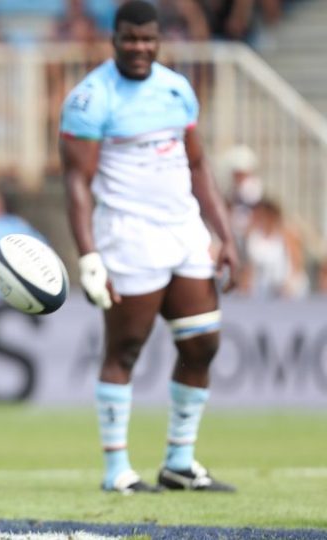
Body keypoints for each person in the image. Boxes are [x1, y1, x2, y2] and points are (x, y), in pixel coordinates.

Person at [60, 1, 240, 494]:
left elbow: (198, 165)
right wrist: (89, 253)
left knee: (202, 344)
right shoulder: (91, 98)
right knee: (126, 348)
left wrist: (222, 233)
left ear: (160, 39)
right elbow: (77, 180)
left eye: (148, 39)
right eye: (130, 39)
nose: (139, 48)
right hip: (128, 234)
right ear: (113, 38)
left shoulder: (176, 89)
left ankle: (180, 462)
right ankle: (116, 469)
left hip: (183, 230)